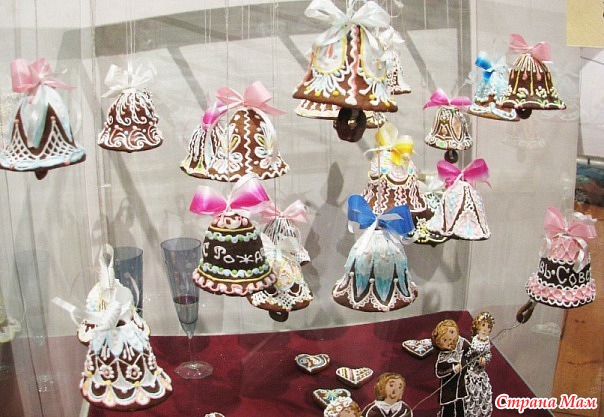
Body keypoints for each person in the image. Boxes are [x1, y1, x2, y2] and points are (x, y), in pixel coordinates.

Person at [431, 319, 470, 417]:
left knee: (460, 407)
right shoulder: (443, 357)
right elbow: (439, 372)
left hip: (460, 385)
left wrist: (476, 358)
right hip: (449, 389)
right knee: (449, 408)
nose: (450, 340)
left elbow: (471, 351)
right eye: (445, 340)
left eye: (452, 333)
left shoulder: (461, 344)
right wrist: (453, 370)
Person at [464, 312, 494, 417]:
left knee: (480, 392)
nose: (485, 329)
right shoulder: (475, 339)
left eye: (488, 327)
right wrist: (468, 354)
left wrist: (484, 360)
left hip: (479, 372)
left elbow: (488, 354)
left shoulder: (487, 342)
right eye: (483, 325)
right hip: (470, 370)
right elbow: (469, 352)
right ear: (478, 326)